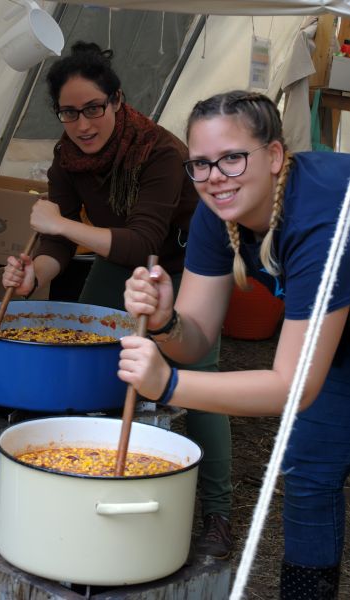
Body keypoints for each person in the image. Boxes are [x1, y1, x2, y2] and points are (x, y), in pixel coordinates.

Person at [2, 41, 233, 559]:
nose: (83, 125)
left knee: (196, 384)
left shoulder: (162, 153)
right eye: (69, 112)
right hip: (116, 261)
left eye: (93, 109)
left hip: (186, 263)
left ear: (117, 100)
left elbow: (143, 238)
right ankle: (97, 470)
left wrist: (61, 222)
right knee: (97, 351)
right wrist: (33, 277)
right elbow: (57, 243)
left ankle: (217, 514)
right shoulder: (67, 158)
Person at [120, 90, 350, 599]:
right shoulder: (218, 210)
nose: (214, 177)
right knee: (310, 470)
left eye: (231, 157)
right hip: (337, 337)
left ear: (273, 156)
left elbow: (292, 386)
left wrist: (169, 384)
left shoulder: (324, 213)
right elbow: (195, 337)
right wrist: (164, 323)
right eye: (200, 164)